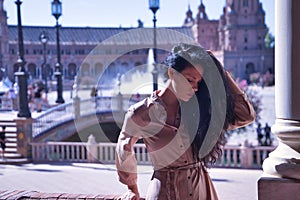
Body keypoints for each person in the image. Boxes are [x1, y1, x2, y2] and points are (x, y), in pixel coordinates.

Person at [115, 43, 256, 200]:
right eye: (190, 80)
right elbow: (124, 150)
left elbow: (246, 116)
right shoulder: (140, 113)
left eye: (198, 82)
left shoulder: (201, 110)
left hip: (202, 191)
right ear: (172, 73)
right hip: (163, 193)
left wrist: (220, 72)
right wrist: (132, 188)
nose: (195, 87)